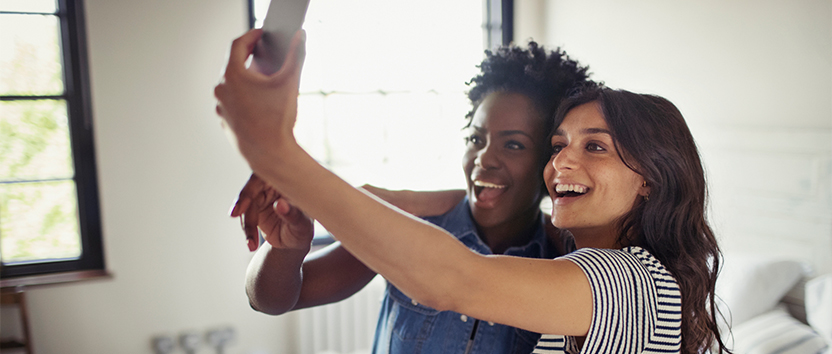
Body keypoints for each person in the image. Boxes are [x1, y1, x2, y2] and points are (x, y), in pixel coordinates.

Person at [214, 29, 730, 354]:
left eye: (595, 147)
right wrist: (398, 201)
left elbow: (448, 278)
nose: (563, 161)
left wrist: (276, 151)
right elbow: (274, 296)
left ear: (652, 181)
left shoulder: (623, 281)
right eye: (558, 145)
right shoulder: (605, 268)